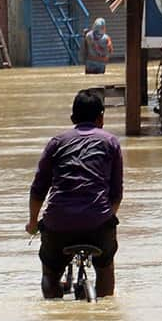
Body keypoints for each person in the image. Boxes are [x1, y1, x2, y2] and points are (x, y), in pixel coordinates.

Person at [27, 89, 123, 299]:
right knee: (105, 267)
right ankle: (105, 311)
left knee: (50, 272)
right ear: (101, 118)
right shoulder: (111, 143)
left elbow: (38, 189)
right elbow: (116, 193)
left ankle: (53, 307)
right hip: (98, 223)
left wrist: (33, 223)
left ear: (72, 118)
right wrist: (106, 217)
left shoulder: (57, 143)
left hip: (58, 222)